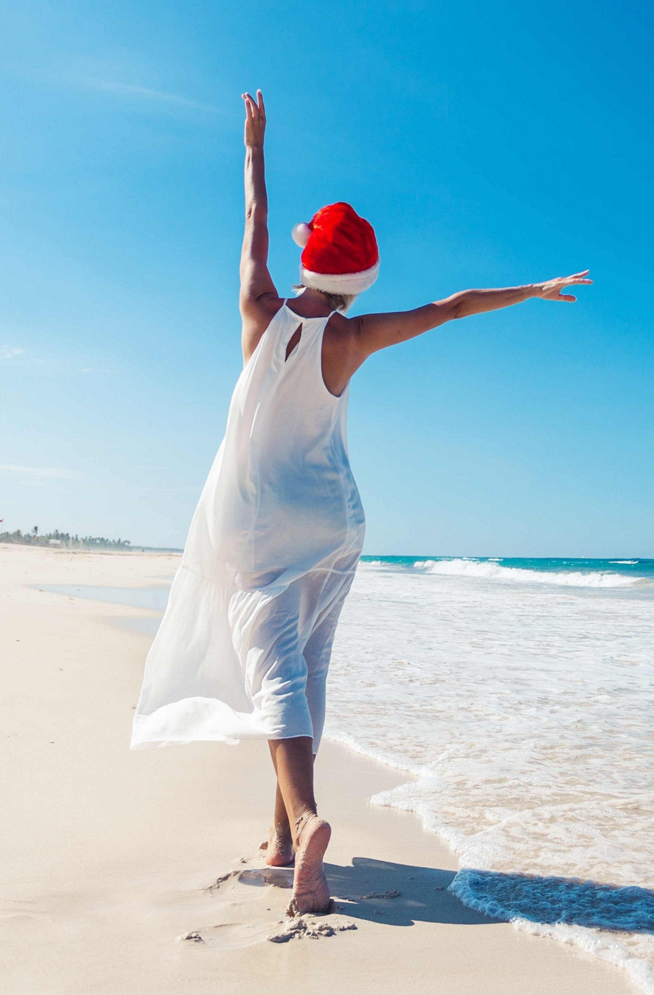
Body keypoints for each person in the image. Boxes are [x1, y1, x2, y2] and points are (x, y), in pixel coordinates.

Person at [130, 91, 590, 915]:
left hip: (261, 518)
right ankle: (281, 840)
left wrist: (255, 145)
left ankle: (305, 821)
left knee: (274, 670)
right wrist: (535, 288)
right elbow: (452, 306)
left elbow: (255, 218)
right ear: (359, 280)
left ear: (308, 263)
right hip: (336, 518)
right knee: (308, 668)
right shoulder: (353, 336)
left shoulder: (259, 310)